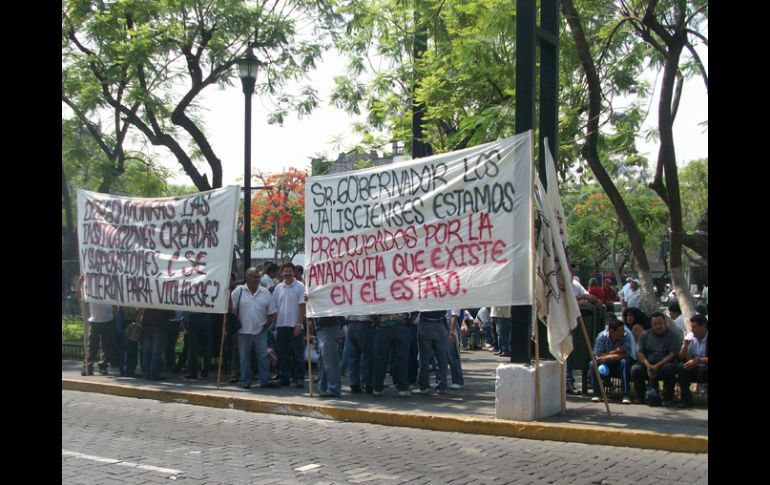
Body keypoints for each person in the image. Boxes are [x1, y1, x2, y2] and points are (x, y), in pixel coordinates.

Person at [232, 267, 278, 389]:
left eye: (258, 277)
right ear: (247, 277)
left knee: (263, 356)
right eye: (255, 277)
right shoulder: (238, 291)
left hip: (260, 330)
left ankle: (265, 380)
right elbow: (231, 309)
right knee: (244, 357)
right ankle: (245, 381)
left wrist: (266, 325)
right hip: (243, 330)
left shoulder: (265, 292)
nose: (258, 279)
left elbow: (272, 312)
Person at [631, 312, 682, 406]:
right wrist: (648, 365)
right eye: (655, 324)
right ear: (651, 324)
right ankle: (640, 397)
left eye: (660, 323)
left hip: (665, 364)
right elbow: (639, 352)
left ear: (665, 323)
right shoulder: (645, 334)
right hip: (648, 364)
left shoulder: (673, 335)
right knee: (635, 369)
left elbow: (672, 354)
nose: (658, 326)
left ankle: (667, 398)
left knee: (669, 369)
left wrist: (657, 366)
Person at [272, 262, 307, 388]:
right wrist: (274, 325)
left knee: (298, 354)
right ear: (282, 273)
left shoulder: (300, 286)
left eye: (290, 271)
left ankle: (299, 377)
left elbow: (302, 306)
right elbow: (274, 307)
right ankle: (284, 377)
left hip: (295, 325)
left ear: (294, 272)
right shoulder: (278, 288)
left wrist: (299, 324)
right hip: (281, 326)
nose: (287, 273)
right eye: (285, 271)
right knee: (282, 354)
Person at [589, 317, 636, 404]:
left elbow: (627, 354)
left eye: (623, 330)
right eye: (620, 331)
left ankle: (625, 394)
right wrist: (616, 354)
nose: (622, 333)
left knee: (624, 362)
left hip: (619, 364)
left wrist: (608, 356)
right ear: (611, 331)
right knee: (592, 364)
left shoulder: (626, 336)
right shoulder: (601, 337)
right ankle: (597, 394)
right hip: (605, 365)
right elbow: (598, 356)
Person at [676, 313, 708, 408]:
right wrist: (685, 345)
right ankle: (686, 399)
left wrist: (698, 361)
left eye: (695, 327)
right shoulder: (691, 337)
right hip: (695, 368)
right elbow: (681, 357)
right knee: (681, 367)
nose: (692, 330)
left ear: (703, 326)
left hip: (705, 367)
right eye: (691, 327)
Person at [139, 308, 174, 380]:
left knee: (147, 351)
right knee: (156, 352)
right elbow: (172, 314)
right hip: (159, 326)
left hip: (146, 325)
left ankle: (146, 373)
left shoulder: (148, 298)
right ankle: (154, 373)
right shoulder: (164, 299)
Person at [314, 315, 345, 397]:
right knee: (324, 359)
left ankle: (333, 388)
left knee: (330, 359)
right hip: (323, 326)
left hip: (330, 325)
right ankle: (324, 387)